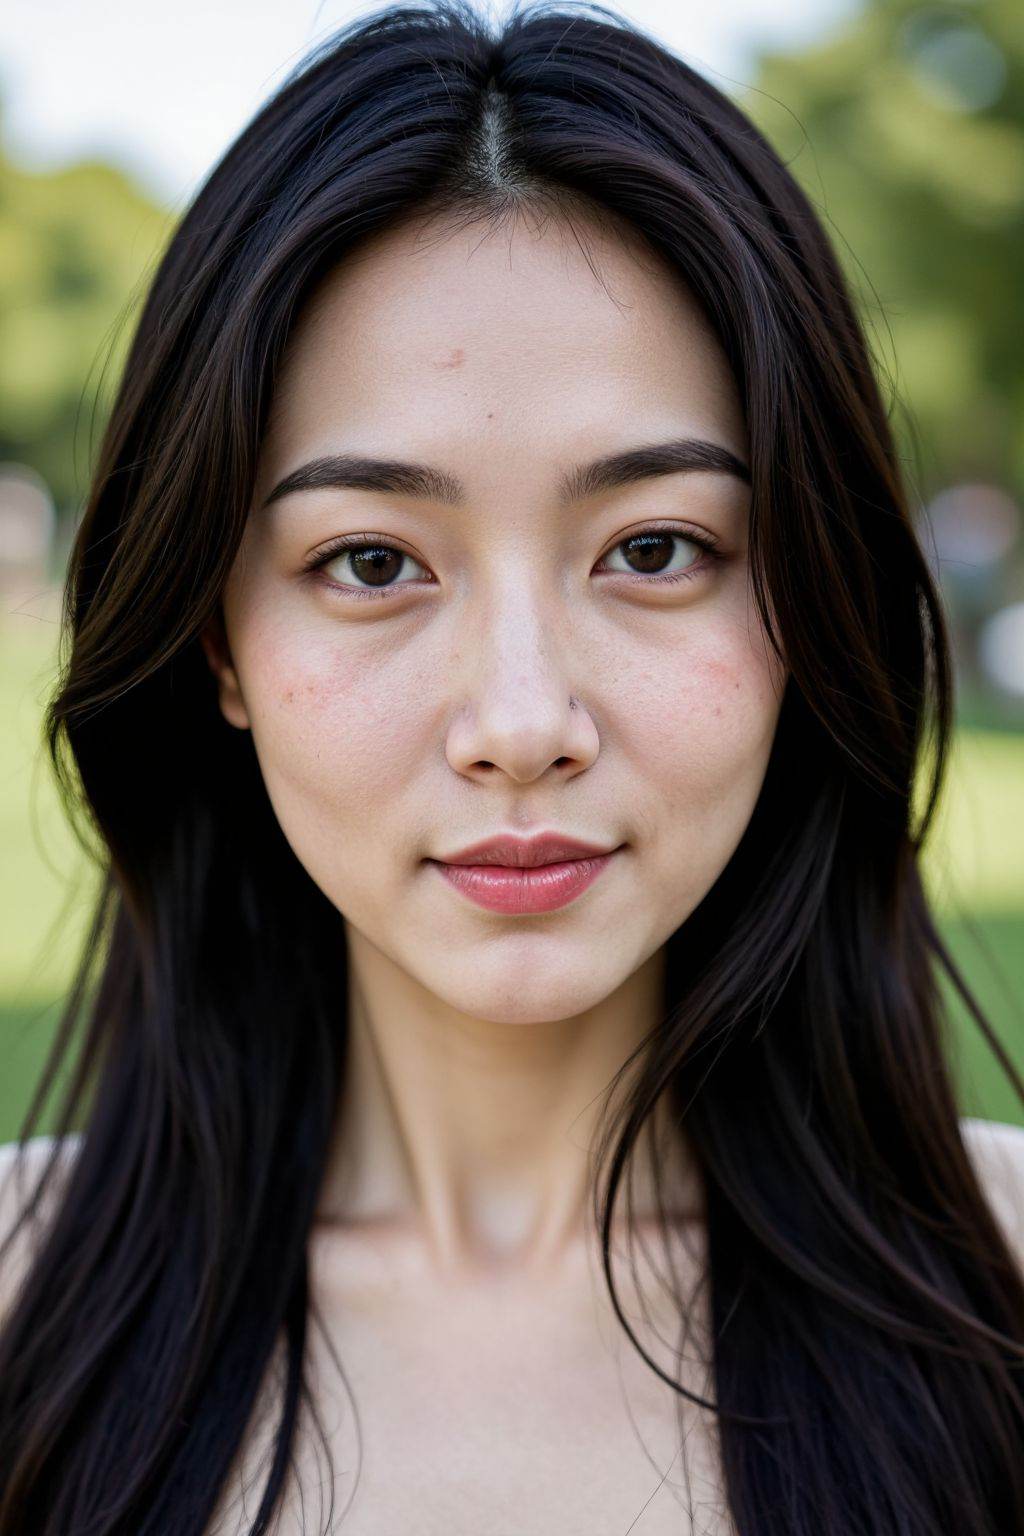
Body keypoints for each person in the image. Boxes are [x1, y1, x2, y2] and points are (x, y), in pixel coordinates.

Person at [1, 2, 1023, 1531]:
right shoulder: (23, 1300)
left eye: (657, 548)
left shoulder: (1002, 1290)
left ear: (806, 599)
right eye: (368, 561)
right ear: (217, 643)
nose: (523, 717)